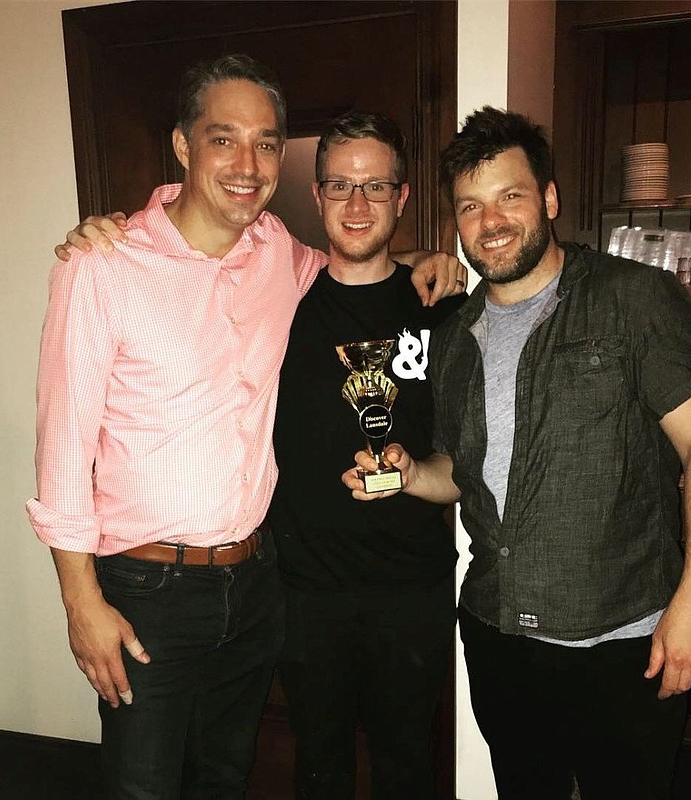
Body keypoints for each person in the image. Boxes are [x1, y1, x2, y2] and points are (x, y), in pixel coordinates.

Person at [29, 54, 463, 800]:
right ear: (182, 145)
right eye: (223, 138)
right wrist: (81, 604)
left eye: (266, 142)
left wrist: (432, 259)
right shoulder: (101, 267)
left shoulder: (279, 257)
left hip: (258, 581)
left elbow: (355, 265)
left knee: (227, 778)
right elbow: (61, 450)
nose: (248, 162)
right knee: (143, 785)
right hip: (144, 589)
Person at [343, 106, 691, 800]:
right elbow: (459, 477)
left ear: (550, 199)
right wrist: (409, 475)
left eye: (510, 197)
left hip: (626, 643)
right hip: (501, 641)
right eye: (470, 206)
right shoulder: (457, 335)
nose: (490, 223)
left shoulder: (633, 300)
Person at [269, 112, 463, 799]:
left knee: (407, 766)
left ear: (403, 198)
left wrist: (413, 474)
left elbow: (469, 459)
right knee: (317, 766)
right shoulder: (279, 303)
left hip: (411, 591)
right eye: (340, 186)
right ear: (317, 195)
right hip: (305, 593)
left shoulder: (445, 311)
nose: (357, 205)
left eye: (376, 187)